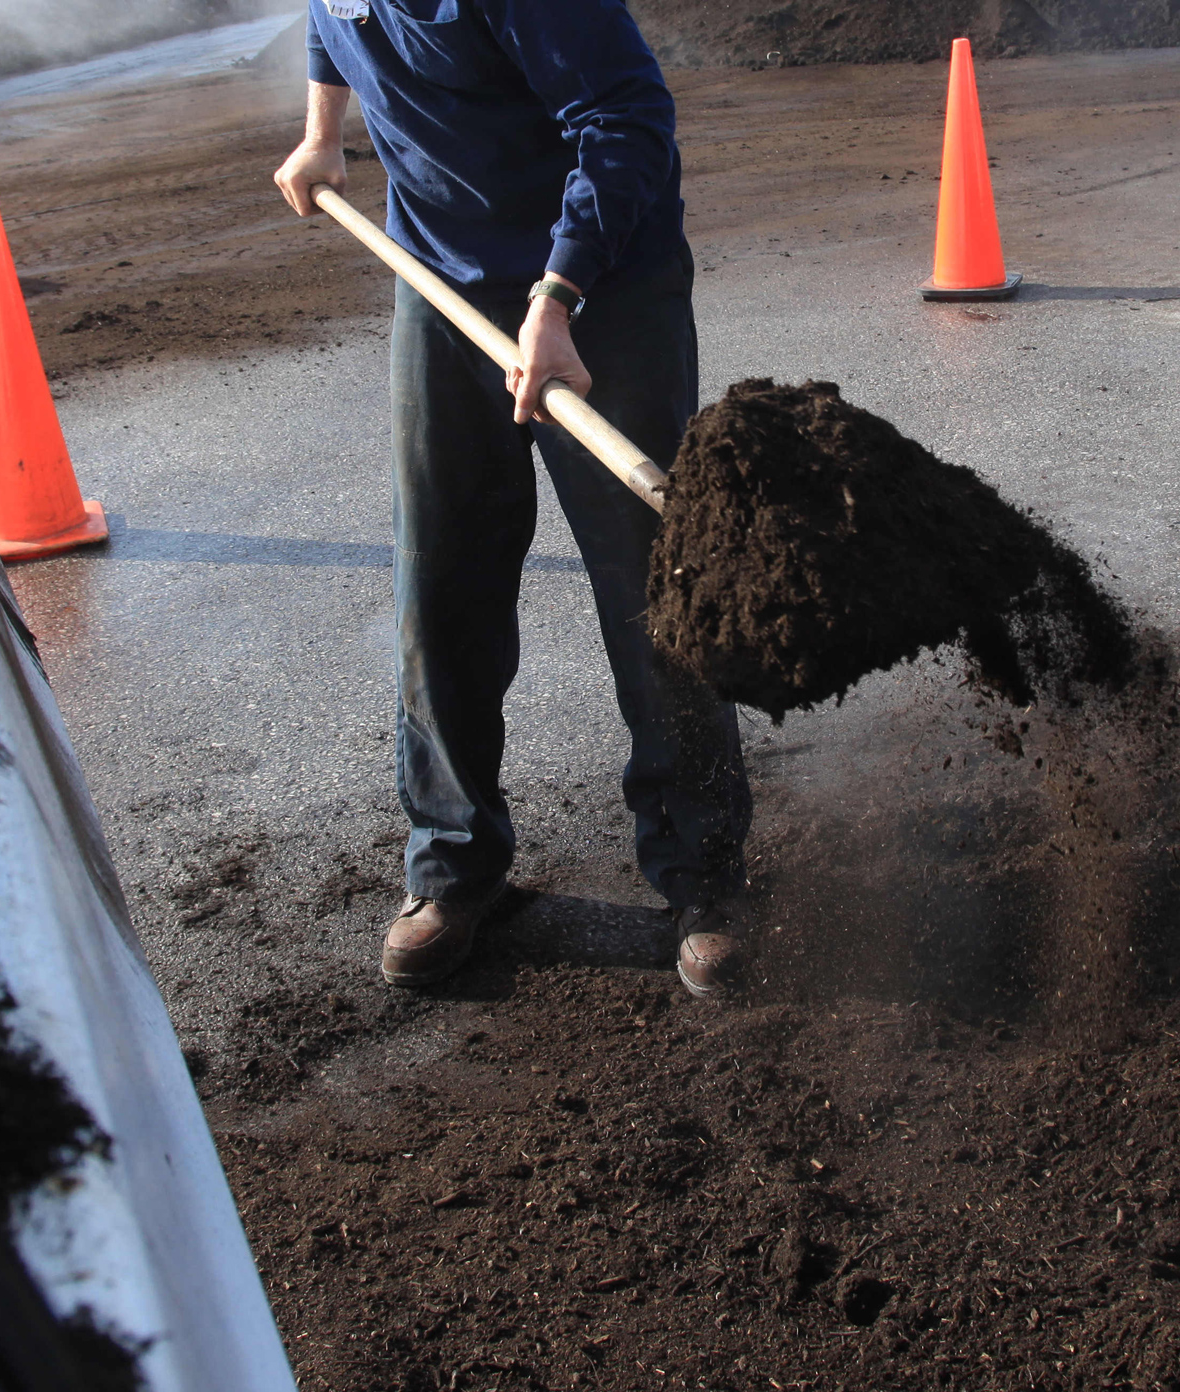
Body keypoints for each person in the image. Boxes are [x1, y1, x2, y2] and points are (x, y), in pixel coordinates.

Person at [273, 0, 752, 997]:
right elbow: (330, 19)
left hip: (602, 286)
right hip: (442, 278)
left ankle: (702, 876)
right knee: (442, 576)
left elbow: (626, 117)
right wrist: (324, 135)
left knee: (652, 588)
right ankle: (452, 867)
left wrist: (557, 297)